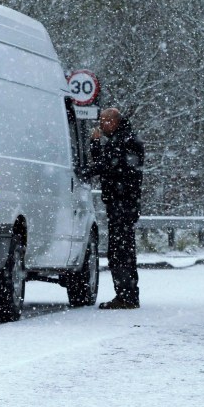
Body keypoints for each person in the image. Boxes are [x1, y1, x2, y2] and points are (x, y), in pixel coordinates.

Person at [89, 107, 145, 309]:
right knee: (121, 250)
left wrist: (85, 171)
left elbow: (106, 165)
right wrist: (95, 144)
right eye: (101, 121)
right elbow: (104, 163)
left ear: (115, 121)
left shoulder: (125, 141)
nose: (102, 125)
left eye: (105, 121)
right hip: (120, 202)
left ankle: (127, 296)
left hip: (123, 203)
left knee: (120, 251)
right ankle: (126, 294)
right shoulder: (121, 139)